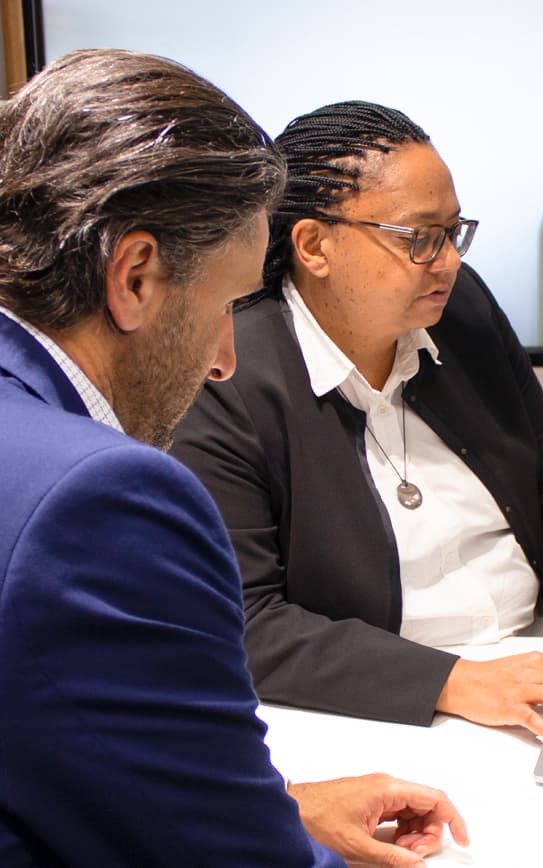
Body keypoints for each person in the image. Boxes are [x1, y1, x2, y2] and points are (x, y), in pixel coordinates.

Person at [0, 52, 467, 867]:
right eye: (225, 304)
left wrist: (275, 798)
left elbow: (49, 741)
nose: (224, 358)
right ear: (136, 276)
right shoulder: (100, 498)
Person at [172, 100, 543, 744]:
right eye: (419, 239)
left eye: (454, 232)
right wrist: (456, 682)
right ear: (314, 246)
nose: (448, 262)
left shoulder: (462, 309)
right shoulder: (228, 377)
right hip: (392, 711)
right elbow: (250, 623)